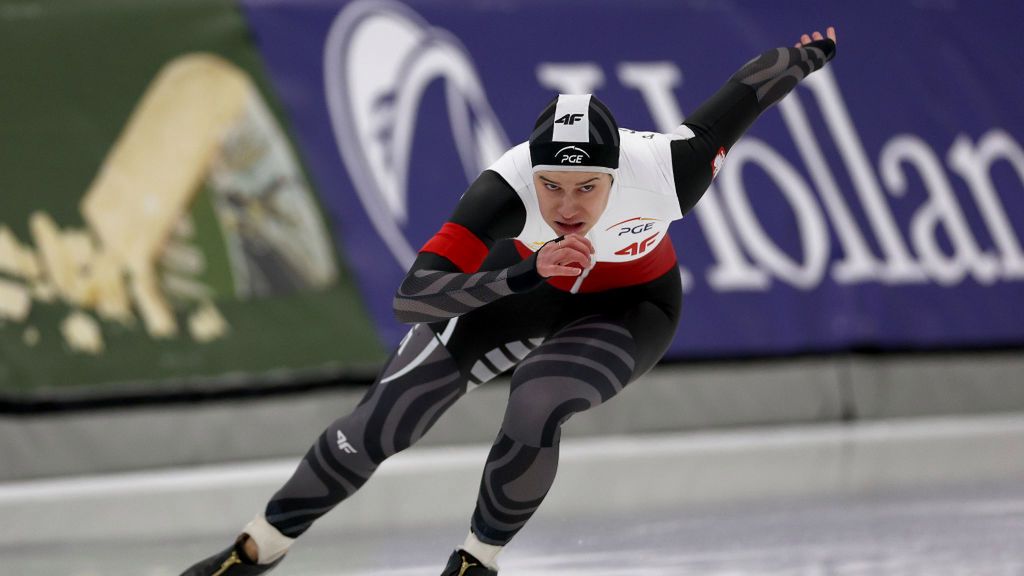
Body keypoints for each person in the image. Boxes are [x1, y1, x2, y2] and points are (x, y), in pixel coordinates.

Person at [183, 27, 838, 576]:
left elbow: (751, 89)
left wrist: (808, 53)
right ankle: (253, 552)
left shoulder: (671, 168)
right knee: (382, 423)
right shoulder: (504, 186)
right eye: (552, 186)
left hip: (628, 305)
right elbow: (415, 297)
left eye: (588, 188)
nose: (568, 207)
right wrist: (523, 276)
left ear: (619, 174)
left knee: (537, 398)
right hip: (517, 290)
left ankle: (475, 564)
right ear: (532, 172)